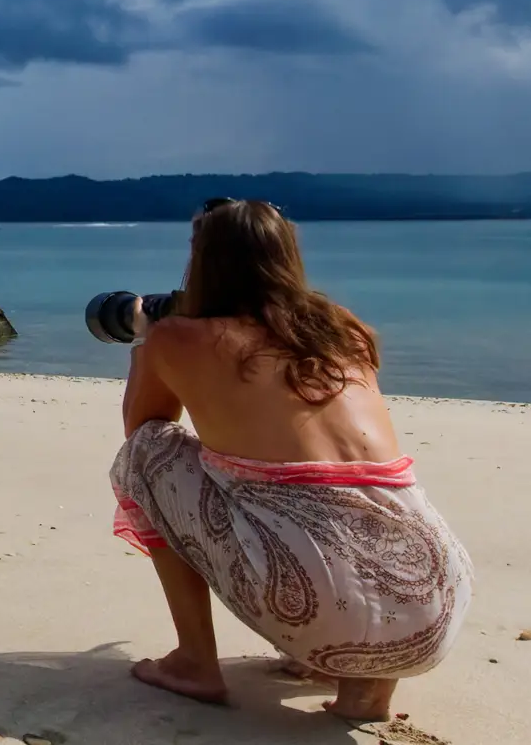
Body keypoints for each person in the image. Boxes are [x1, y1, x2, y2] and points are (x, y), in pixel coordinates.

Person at [109, 197, 473, 723]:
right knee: (340, 498)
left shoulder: (176, 337)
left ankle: (194, 662)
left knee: (144, 456)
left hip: (314, 601)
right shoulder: (344, 328)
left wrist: (147, 341)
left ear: (203, 259)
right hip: (435, 607)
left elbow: (143, 431)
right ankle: (363, 690)